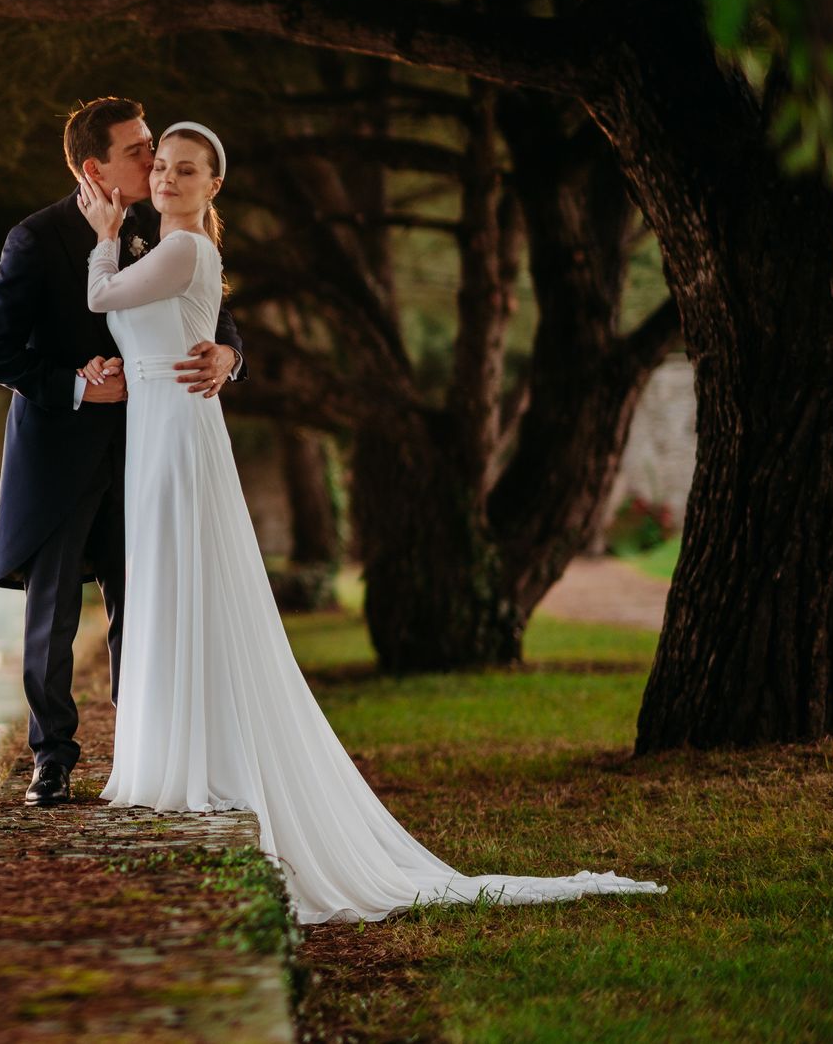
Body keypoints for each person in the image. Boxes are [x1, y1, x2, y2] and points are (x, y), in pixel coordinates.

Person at [79, 119, 668, 923]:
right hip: (157, 428)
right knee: (177, 588)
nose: (167, 179)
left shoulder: (179, 249)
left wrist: (104, 238)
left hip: (177, 436)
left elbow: (101, 296)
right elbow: (154, 320)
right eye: (163, 169)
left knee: (188, 584)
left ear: (214, 185)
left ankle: (200, 768)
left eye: (186, 170)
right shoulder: (169, 249)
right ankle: (182, 759)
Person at [0, 97, 248, 808]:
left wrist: (227, 353)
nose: (152, 162)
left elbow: (215, 311)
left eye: (155, 149)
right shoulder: (36, 238)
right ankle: (52, 758)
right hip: (60, 452)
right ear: (95, 167)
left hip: (147, 445)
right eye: (138, 151)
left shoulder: (166, 228)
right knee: (54, 610)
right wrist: (74, 386)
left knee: (144, 600)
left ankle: (144, 747)